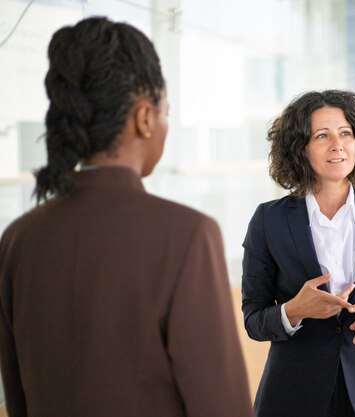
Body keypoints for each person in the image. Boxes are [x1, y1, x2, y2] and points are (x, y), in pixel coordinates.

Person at [0, 17, 253, 417]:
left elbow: (17, 399)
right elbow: (223, 406)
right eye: (166, 110)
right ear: (145, 118)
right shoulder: (188, 235)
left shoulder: (18, 238)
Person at [242, 90, 355, 417]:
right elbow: (253, 319)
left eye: (345, 133)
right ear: (300, 148)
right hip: (293, 395)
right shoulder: (269, 220)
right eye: (322, 135)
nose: (338, 144)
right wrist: (293, 311)